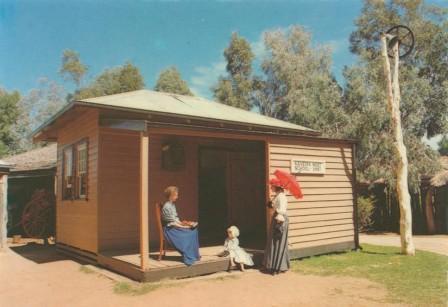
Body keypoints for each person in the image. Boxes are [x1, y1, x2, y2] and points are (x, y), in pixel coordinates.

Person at [161, 186, 200, 266]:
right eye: (175, 195)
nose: (177, 197)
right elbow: (172, 222)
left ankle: (193, 254)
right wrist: (184, 227)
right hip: (170, 230)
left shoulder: (172, 205)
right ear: (170, 195)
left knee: (193, 230)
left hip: (174, 227)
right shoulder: (167, 206)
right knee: (190, 232)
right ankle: (188, 255)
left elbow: (176, 220)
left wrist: (186, 223)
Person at [263, 178, 290, 275]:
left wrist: (279, 222)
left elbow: (282, 210)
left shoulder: (281, 196)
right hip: (277, 217)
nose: (271, 187)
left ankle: (278, 266)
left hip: (280, 219)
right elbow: (274, 206)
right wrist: (271, 204)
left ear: (276, 186)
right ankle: (273, 265)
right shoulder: (278, 195)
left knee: (278, 241)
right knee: (274, 241)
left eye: (272, 185)